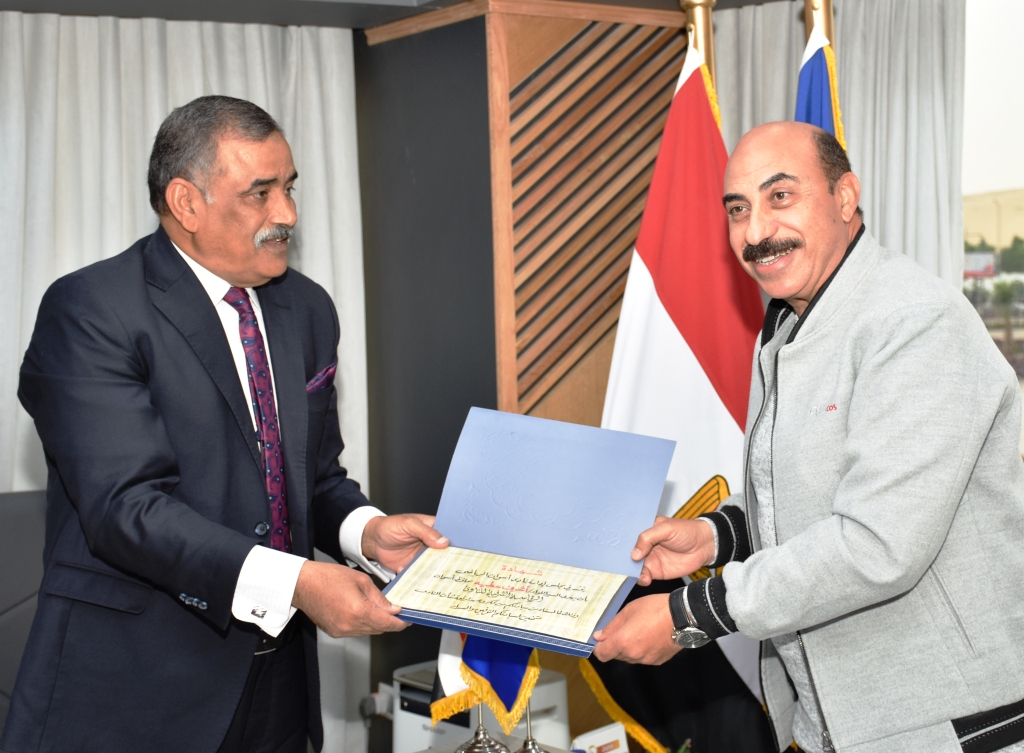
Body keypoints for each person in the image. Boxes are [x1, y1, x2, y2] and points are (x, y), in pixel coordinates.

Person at [1, 95, 448, 753]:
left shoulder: (307, 308)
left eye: (289, 187)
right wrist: (297, 582)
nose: (287, 214)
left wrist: (366, 531)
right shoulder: (92, 309)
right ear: (186, 203)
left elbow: (312, 476)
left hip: (280, 685)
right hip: (136, 690)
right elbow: (126, 509)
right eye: (260, 193)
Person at [592, 122, 1024, 753]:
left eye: (780, 196)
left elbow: (877, 543)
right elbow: (812, 493)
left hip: (947, 726)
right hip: (834, 725)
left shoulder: (914, 321)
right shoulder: (789, 326)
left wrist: (690, 615)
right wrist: (717, 536)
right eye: (738, 209)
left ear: (845, 197)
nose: (756, 232)